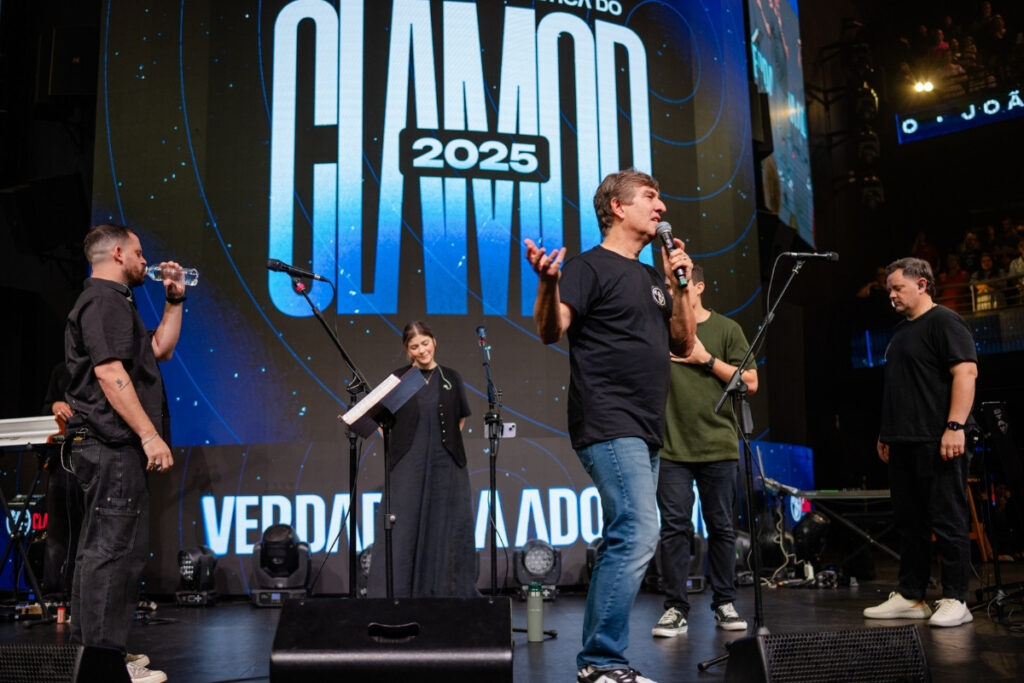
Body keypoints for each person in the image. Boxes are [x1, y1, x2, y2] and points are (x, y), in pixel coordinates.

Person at [525, 169, 697, 683]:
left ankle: (600, 662)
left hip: (646, 426)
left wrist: (678, 285)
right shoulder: (587, 267)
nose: (661, 208)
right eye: (650, 197)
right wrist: (548, 284)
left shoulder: (653, 278)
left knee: (629, 531)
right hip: (608, 417)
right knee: (639, 530)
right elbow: (550, 330)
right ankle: (601, 662)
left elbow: (684, 343)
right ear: (618, 207)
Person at [64, 223, 185, 683]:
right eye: (138, 252)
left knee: (104, 552)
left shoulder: (114, 302)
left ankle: (95, 657)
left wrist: (174, 301)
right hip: (111, 445)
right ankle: (103, 664)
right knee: (111, 554)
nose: (144, 260)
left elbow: (159, 351)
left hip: (110, 447)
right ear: (117, 253)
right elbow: (110, 372)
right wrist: (149, 435)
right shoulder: (104, 300)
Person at [864, 257, 977, 628]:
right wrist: (886, 433)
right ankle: (912, 596)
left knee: (948, 519)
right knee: (909, 523)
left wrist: (955, 426)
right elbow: (899, 387)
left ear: (922, 285)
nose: (892, 295)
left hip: (937, 438)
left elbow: (966, 372)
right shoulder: (900, 332)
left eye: (897, 288)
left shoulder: (945, 322)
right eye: (890, 289)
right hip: (902, 440)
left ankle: (956, 598)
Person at [651, 264, 758, 638]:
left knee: (721, 528)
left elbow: (750, 382)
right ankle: (675, 608)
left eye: (677, 285)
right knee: (674, 529)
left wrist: (706, 360)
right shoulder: (660, 328)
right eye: (667, 287)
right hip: (671, 447)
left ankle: (724, 602)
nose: (671, 292)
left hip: (717, 446)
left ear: (698, 287)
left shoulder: (726, 329)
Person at [366, 320, 478, 598]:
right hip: (409, 463)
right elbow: (375, 417)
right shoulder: (400, 379)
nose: (422, 350)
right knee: (404, 526)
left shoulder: (451, 377)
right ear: (408, 350)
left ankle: (448, 592)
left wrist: (445, 441)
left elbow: (460, 418)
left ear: (434, 342)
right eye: (414, 346)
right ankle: (397, 594)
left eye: (425, 343)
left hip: (446, 461)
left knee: (448, 525)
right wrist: (395, 442)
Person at [40, 361, 83, 600]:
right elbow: (46, 406)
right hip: (61, 458)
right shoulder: (60, 370)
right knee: (57, 529)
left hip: (92, 455)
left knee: (88, 528)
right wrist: (54, 406)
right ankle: (54, 593)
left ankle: (82, 592)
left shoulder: (103, 366)